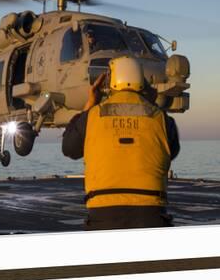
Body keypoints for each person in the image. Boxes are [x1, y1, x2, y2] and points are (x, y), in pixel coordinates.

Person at [62, 56, 180, 230]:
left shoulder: (92, 116)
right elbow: (172, 151)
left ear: (111, 81)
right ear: (142, 82)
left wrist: (89, 105)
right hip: (151, 215)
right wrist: (151, 103)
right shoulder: (161, 118)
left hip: (103, 216)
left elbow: (69, 149)